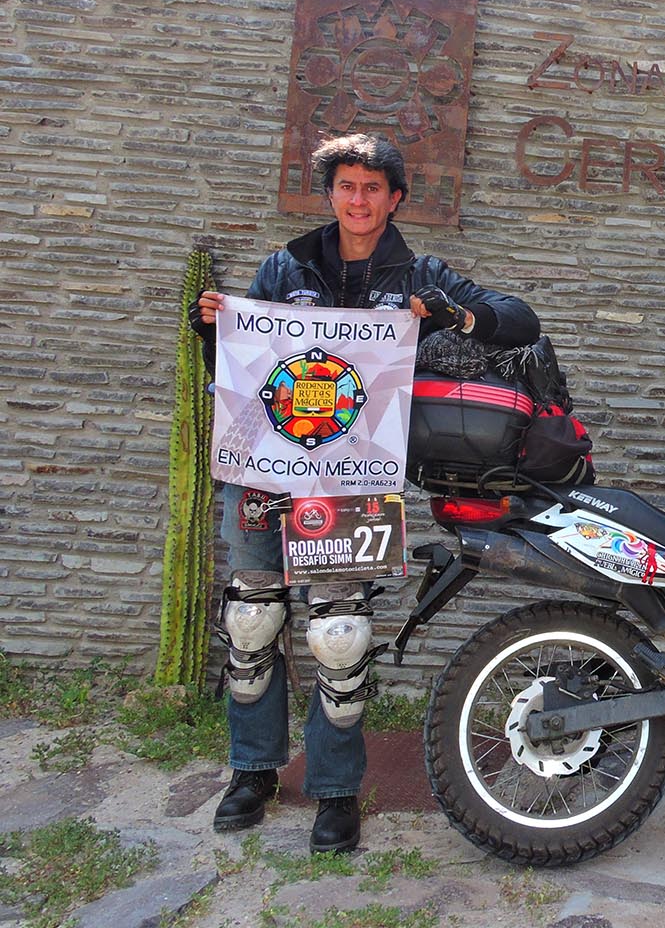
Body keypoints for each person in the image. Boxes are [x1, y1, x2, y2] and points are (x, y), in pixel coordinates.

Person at [189, 133, 539, 853]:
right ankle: (251, 773)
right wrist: (208, 327)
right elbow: (240, 364)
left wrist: (453, 314)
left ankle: (335, 790)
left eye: (372, 188)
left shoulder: (420, 273)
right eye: (347, 186)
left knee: (340, 635)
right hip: (262, 470)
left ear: (395, 197)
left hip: (354, 479)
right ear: (332, 193)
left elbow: (520, 321)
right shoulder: (286, 266)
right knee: (251, 623)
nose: (358, 200)